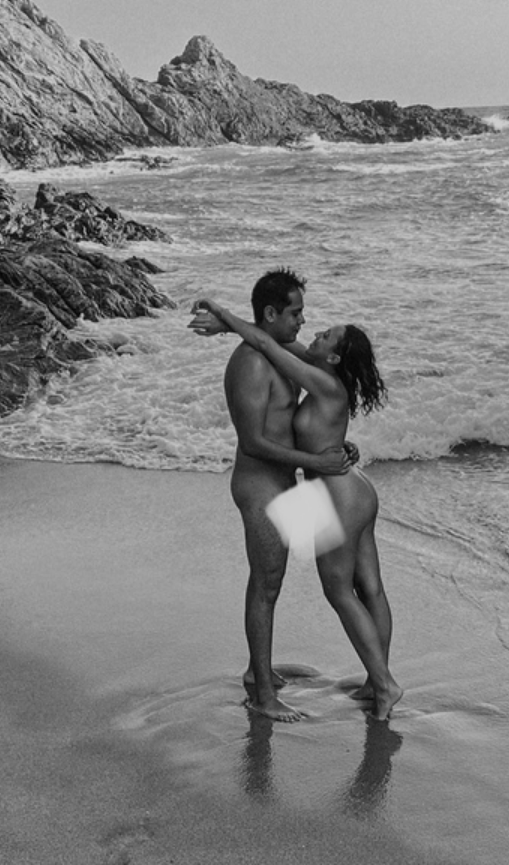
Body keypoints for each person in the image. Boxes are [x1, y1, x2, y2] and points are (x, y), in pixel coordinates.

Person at [191, 290, 402, 721]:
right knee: (370, 588)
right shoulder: (323, 373)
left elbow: (266, 342)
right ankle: (374, 680)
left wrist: (223, 315)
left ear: (335, 357)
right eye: (300, 314)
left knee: (339, 591)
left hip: (337, 494)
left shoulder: (318, 378)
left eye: (324, 335)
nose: (311, 329)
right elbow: (271, 342)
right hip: (355, 488)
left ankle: (384, 685)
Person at [207, 269, 359, 722]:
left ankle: (259, 672)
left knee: (291, 579)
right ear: (271, 313)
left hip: (284, 482)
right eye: (295, 313)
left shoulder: (279, 353)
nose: (302, 321)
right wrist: (316, 463)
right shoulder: (252, 365)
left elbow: (303, 413)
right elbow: (253, 441)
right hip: (259, 486)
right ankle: (263, 697)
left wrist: (336, 448)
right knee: (266, 585)